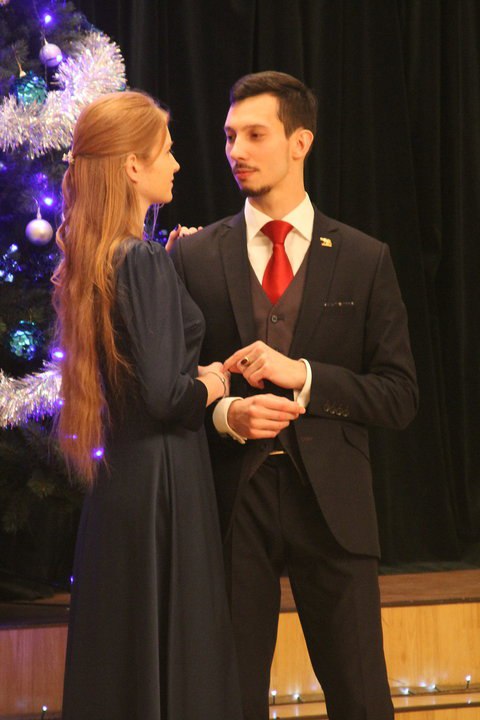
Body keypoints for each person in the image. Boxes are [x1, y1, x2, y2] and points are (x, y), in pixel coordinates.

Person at [170, 71, 419, 720]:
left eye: (255, 135)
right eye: (230, 136)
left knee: (361, 700)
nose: (236, 151)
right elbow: (169, 388)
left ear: (300, 142)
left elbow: (398, 396)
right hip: (230, 508)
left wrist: (305, 374)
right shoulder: (192, 257)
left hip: (334, 508)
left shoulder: (364, 258)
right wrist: (226, 414)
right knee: (227, 701)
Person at [52, 91, 242, 720]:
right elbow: (165, 396)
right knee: (174, 654)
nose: (178, 164)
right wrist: (212, 382)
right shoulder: (137, 259)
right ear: (133, 166)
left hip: (122, 486)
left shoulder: (100, 255)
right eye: (166, 151)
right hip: (164, 482)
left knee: (125, 655)